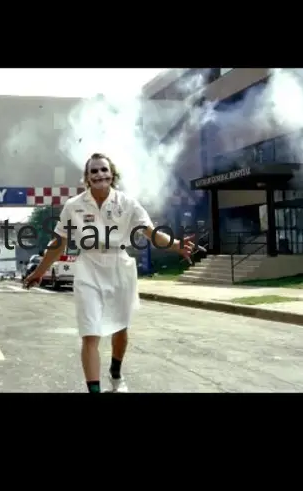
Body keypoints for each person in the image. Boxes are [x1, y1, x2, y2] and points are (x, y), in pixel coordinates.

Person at [24, 152, 196, 392]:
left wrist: (176, 245)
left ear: (112, 174)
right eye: (93, 171)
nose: (99, 174)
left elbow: (150, 232)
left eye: (103, 170)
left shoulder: (128, 203)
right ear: (87, 177)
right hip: (88, 267)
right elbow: (58, 243)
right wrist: (39, 271)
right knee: (90, 333)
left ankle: (116, 374)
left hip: (119, 267)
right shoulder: (73, 206)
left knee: (120, 328)